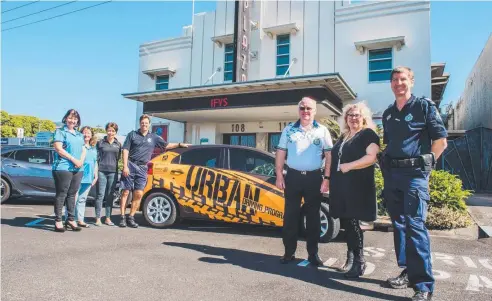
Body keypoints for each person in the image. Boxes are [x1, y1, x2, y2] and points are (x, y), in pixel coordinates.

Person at [381, 66, 448, 301]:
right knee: (399, 226)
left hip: (415, 176)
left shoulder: (423, 106)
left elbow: (440, 141)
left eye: (403, 79)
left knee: (415, 227)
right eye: (395, 80)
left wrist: (426, 168)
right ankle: (409, 272)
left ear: (411, 81)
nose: (399, 83)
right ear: (391, 84)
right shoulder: (388, 113)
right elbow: (389, 145)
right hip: (393, 176)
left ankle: (424, 286)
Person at [275, 96, 333, 266]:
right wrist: (279, 174)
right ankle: (289, 252)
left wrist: (327, 178)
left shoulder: (322, 130)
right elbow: (280, 153)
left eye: (309, 108)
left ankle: (313, 254)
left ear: (315, 111)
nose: (305, 111)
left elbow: (329, 155)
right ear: (298, 110)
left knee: (313, 217)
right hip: (292, 177)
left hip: (314, 178)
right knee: (290, 216)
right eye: (302, 108)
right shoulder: (288, 130)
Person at [328, 102, 380, 278]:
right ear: (346, 119)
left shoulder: (368, 134)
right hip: (341, 186)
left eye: (357, 115)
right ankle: (350, 259)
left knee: (354, 224)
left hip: (357, 186)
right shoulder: (344, 136)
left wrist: (349, 166)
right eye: (350, 115)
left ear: (363, 117)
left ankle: (359, 262)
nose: (353, 118)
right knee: (348, 224)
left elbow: (371, 157)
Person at [119, 114, 189, 228]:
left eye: (146, 123)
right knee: (126, 192)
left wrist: (180, 144)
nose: (144, 125)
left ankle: (131, 217)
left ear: (149, 124)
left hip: (142, 168)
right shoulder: (132, 135)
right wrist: (125, 166)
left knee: (139, 193)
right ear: (140, 124)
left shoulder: (154, 137)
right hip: (131, 164)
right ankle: (122, 217)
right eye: (142, 123)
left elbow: (166, 145)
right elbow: (125, 150)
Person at [52, 109, 86, 232]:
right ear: (66, 118)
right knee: (62, 194)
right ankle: (58, 221)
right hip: (63, 167)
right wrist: (73, 160)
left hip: (78, 168)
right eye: (70, 118)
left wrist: (80, 161)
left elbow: (83, 149)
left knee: (72, 194)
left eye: (75, 119)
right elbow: (58, 149)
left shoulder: (79, 134)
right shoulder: (60, 132)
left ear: (78, 121)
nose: (72, 120)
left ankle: (71, 219)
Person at [95, 122, 121, 226]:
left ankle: (108, 218)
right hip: (101, 171)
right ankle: (97, 218)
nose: (111, 132)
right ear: (106, 131)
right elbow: (96, 157)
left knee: (110, 196)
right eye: (109, 130)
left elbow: (118, 158)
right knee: (100, 195)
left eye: (113, 131)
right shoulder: (100, 143)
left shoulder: (118, 144)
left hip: (113, 172)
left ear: (116, 132)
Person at [72, 126, 98, 227]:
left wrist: (95, 176)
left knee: (82, 199)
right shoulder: (78, 146)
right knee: (74, 198)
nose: (86, 135)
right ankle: (70, 219)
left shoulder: (93, 148)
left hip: (89, 177)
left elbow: (95, 162)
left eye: (88, 133)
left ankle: (80, 220)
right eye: (84, 132)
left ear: (91, 135)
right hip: (78, 175)